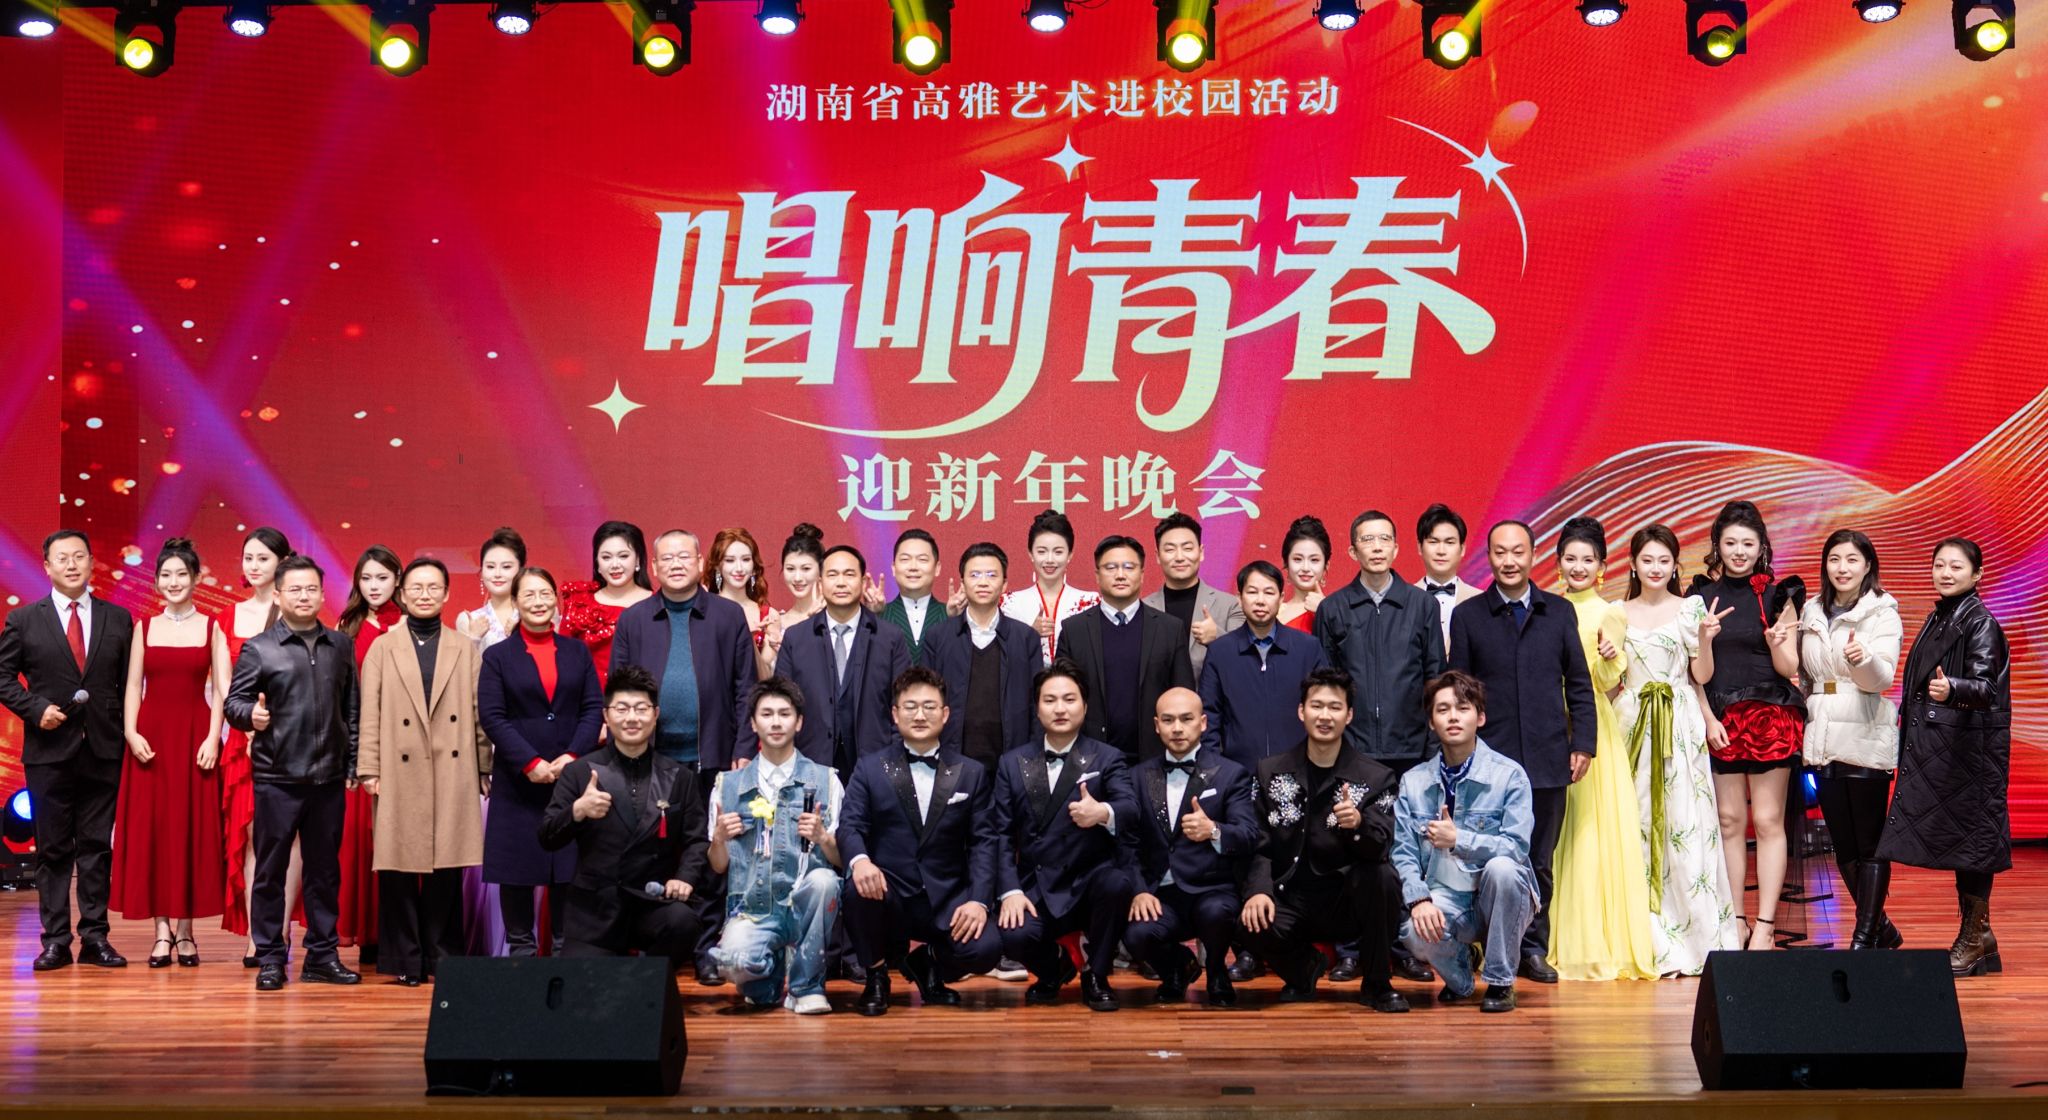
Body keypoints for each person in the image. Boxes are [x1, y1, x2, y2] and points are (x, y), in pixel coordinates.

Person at [1447, 520, 1596, 984]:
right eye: (1500, 552)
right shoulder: (1469, 616)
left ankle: (1532, 949)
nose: (1509, 561)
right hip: (1487, 764)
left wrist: (1583, 743)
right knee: (1483, 861)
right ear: (1488, 556)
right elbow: (1457, 693)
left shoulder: (1559, 612)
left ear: (1533, 555)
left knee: (1538, 862)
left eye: (1518, 552)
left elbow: (1578, 683)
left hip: (1549, 759)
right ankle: (1481, 947)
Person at [1313, 509, 1446, 985]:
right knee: (1349, 846)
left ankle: (1404, 946)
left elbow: (1435, 677)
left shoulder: (1420, 606)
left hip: (1410, 750)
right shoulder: (1334, 609)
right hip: (1352, 752)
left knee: (1404, 849)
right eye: (1366, 540)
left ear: (1396, 548)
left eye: (1384, 539)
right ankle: (1352, 949)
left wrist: (1430, 743)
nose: (1375, 546)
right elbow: (1326, 685)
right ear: (1353, 550)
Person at [1874, 538, 2011, 978]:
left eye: (1956, 566)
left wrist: (1953, 689)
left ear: (1977, 574)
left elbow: (1986, 688)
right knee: (1965, 841)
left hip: (1971, 751)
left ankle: (1973, 938)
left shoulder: (1980, 622)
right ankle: (1980, 937)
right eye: (1939, 565)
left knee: (1975, 844)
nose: (1945, 573)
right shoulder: (1944, 615)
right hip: (1949, 747)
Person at [224, 555, 361, 991]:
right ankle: (269, 957)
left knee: (324, 873)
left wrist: (352, 763)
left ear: (322, 594)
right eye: (295, 589)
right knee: (270, 872)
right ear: (279, 595)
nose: (304, 596)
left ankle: (322, 955)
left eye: (311, 589)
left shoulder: (340, 646)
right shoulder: (259, 648)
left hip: (328, 779)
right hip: (277, 778)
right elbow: (234, 704)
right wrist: (251, 716)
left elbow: (352, 710)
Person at [0, 530, 135, 971]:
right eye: (62, 558)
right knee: (53, 849)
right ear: (47, 567)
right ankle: (55, 940)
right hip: (48, 751)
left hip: (103, 747)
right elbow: (2, 677)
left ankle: (95, 937)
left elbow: (130, 684)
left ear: (92, 562)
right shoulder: (24, 620)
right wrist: (35, 708)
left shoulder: (119, 618)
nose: (72, 564)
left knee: (96, 847)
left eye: (79, 556)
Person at [1238, 667, 1408, 1012]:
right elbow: (1258, 842)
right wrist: (1258, 890)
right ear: (1302, 712)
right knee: (1239, 916)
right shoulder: (1270, 771)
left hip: (1347, 899)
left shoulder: (1376, 777)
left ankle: (1377, 984)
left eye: (1335, 707)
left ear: (1349, 715)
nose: (1325, 716)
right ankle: (1303, 970)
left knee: (1383, 878)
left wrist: (1357, 824)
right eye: (1317, 706)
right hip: (1290, 895)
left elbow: (1381, 847)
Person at [838, 667, 1003, 1015]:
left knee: (987, 947)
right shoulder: (870, 768)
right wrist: (860, 861)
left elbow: (984, 842)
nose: (919, 715)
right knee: (856, 888)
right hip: (890, 894)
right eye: (910, 706)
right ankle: (876, 976)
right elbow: (850, 825)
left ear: (945, 714)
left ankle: (928, 963)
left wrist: (978, 901)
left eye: (929, 707)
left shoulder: (971, 772)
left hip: (947, 898)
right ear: (895, 714)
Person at [1615, 525, 1742, 975]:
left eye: (1663, 561)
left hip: (1679, 725)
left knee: (1685, 825)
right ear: (1633, 564)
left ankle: (1693, 939)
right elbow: (1612, 679)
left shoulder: (1691, 608)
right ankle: (1647, 939)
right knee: (1636, 826)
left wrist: (1705, 638)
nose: (1655, 568)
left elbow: (1700, 676)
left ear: (1674, 566)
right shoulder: (1616, 612)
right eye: (1647, 560)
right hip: (1632, 723)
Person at [355, 558, 487, 985]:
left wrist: (483, 766)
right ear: (403, 594)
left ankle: (442, 956)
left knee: (447, 868)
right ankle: (405, 960)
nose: (424, 595)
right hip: (398, 768)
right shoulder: (383, 647)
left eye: (433, 587)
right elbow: (369, 712)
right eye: (416, 587)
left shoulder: (464, 648)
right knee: (397, 869)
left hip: (452, 768)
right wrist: (368, 767)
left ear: (447, 594)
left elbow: (478, 713)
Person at [1685, 501, 1804, 952]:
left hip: (1769, 715)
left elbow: (1789, 667)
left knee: (1768, 820)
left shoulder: (1779, 595)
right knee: (1729, 822)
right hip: (1720, 719)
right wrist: (1704, 641)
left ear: (1761, 547)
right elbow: (1697, 674)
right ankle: (1735, 921)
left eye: (1748, 544)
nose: (1739, 551)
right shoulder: (1700, 596)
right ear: (1717, 545)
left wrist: (1775, 642)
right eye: (1731, 543)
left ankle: (1766, 926)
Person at [538, 665, 710, 969]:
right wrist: (578, 811)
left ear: (655, 715)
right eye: (622, 709)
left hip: (652, 903)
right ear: (606, 716)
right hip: (594, 910)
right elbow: (547, 836)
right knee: (583, 990)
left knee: (682, 921)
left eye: (641, 709)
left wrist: (684, 878)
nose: (632, 718)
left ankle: (647, 979)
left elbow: (696, 841)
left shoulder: (679, 776)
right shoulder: (579, 772)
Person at [1546, 517, 1658, 981]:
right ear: (1557, 563)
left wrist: (1613, 660)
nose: (1578, 566)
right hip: (1549, 726)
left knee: (1590, 832)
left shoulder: (1609, 612)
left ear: (1602, 567)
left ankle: (1590, 941)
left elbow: (1610, 681)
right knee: (1554, 832)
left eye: (1587, 559)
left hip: (1592, 727)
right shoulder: (1546, 607)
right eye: (1570, 558)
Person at [989, 662, 1138, 1011]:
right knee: (1010, 932)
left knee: (1117, 883)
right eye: (1050, 700)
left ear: (1084, 706)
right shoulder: (1012, 762)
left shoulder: (1107, 757)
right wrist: (1010, 891)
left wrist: (1103, 812)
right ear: (1036, 708)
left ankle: (1096, 974)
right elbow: (1000, 834)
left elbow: (1131, 809)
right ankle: (1055, 968)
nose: (1060, 708)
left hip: (1090, 882)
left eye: (1069, 699)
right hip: (1038, 884)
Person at [1394, 671, 1539, 1013]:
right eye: (1442, 709)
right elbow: (1403, 852)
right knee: (1412, 931)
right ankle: (1461, 978)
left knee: (1502, 869)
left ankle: (1501, 982)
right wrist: (1419, 900)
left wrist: (1460, 839)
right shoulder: (1414, 782)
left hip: (1501, 895)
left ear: (1480, 717)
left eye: (1463, 708)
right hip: (1447, 894)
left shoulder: (1509, 775)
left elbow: (1517, 847)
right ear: (1431, 722)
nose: (1453, 717)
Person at [113, 538, 228, 967]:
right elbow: (132, 686)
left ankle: (186, 931)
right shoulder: (144, 627)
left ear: (196, 578)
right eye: (166, 574)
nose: (173, 581)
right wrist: (130, 732)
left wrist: (213, 737)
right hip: (151, 739)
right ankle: (161, 931)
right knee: (156, 831)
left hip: (195, 736)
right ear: (157, 581)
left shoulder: (212, 626)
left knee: (189, 829)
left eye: (182, 574)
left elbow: (223, 691)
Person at [479, 567, 602, 958]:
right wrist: (529, 761)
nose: (538, 602)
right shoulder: (498, 656)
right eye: (528, 595)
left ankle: (566, 950)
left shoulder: (576, 652)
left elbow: (593, 708)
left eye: (545, 593)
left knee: (568, 867)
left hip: (570, 777)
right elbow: (492, 715)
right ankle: (521, 951)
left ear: (556, 600)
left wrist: (573, 756)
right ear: (515, 602)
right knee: (516, 867)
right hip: (519, 778)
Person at [706, 677, 846, 1014]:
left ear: (799, 722)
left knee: (825, 881)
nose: (776, 722)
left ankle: (806, 986)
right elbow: (718, 864)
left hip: (804, 907)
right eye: (766, 714)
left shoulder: (826, 780)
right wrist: (719, 839)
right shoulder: (727, 784)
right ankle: (767, 976)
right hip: (753, 910)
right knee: (731, 963)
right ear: (754, 723)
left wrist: (823, 838)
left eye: (785, 714)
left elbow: (842, 861)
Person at [1798, 530, 1903, 951]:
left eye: (1852, 560)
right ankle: (1881, 929)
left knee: (1869, 844)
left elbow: (1881, 680)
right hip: (1821, 732)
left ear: (1867, 565)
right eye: (1834, 559)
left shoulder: (1882, 612)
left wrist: (1865, 660)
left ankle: (1863, 937)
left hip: (1864, 730)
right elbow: (1806, 675)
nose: (1842, 568)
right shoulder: (1811, 609)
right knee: (1842, 844)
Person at [1124, 687, 1257, 1007]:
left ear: (1203, 722)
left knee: (1216, 913)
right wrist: (1139, 890)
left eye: (1186, 719)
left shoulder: (1231, 774)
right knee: (1136, 934)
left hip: (1212, 888)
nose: (1177, 728)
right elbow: (1127, 843)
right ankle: (1178, 968)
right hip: (1160, 891)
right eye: (1168, 720)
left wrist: (1213, 830)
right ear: (1156, 725)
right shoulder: (1137, 776)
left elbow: (1249, 834)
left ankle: (1217, 971)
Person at [609, 530, 758, 785]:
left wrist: (744, 747)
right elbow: (617, 692)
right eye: (667, 558)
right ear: (654, 566)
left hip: (715, 757)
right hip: (647, 757)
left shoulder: (729, 616)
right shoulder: (633, 620)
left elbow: (746, 688)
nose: (676, 564)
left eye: (684, 557)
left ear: (700, 562)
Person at [220, 527, 296, 963]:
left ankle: (281, 931)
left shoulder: (296, 611)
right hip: (242, 738)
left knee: (291, 835)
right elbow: (224, 686)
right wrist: (247, 727)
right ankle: (258, 935)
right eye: (248, 557)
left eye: (263, 558)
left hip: (291, 736)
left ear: (282, 562)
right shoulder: (227, 617)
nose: (253, 565)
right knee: (251, 837)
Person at [771, 543, 911, 774]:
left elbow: (904, 702)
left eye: (849, 574)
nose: (841, 582)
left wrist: (894, 756)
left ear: (863, 582)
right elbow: (782, 704)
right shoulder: (796, 638)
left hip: (877, 764)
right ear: (820, 583)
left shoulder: (890, 638)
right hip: (810, 763)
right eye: (832, 575)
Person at [1055, 535, 1195, 762]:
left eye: (1129, 567)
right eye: (1111, 567)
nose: (1120, 575)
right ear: (1097, 575)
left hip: (1154, 757)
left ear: (1142, 574)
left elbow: (1184, 695)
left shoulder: (1170, 629)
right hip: (1089, 758)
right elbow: (1060, 696)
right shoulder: (1074, 630)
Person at [336, 544, 402, 965]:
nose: (374, 586)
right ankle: (368, 935)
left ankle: (398, 933)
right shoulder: (347, 626)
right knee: (361, 840)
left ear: (397, 579)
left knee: (400, 838)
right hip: (359, 743)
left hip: (404, 744)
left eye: (382, 577)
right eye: (366, 578)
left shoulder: (411, 622)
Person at [1199, 560, 1330, 771]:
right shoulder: (1220, 651)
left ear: (1281, 598)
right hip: (1237, 774)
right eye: (1252, 592)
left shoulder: (1308, 648)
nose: (1260, 600)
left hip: (1300, 772)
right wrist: (1214, 771)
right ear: (1239, 598)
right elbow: (1209, 716)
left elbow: (1325, 708)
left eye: (1269, 593)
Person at [924, 542, 1044, 769]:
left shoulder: (1026, 638)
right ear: (963, 583)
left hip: (1014, 761)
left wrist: (1032, 757)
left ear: (1004, 583)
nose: (983, 582)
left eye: (991, 575)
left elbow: (1038, 705)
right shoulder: (938, 637)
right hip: (952, 761)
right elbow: (927, 701)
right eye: (975, 575)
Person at [1141, 512, 1243, 677]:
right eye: (1170, 549)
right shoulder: (1142, 609)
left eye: (1187, 548)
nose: (1179, 557)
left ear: (1201, 552)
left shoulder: (1230, 605)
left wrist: (1218, 637)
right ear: (1158, 556)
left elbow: (1247, 664)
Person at [558, 520, 654, 689]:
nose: (615, 565)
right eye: (606, 557)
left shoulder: (657, 605)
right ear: (597, 563)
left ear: (638, 559)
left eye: (623, 556)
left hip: (643, 698)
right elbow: (564, 660)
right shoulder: (579, 604)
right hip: (590, 698)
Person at [1001, 508, 1099, 662]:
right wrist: (1029, 634)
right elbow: (999, 657)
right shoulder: (1009, 603)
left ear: (1070, 555)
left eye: (1058, 552)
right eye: (1042, 552)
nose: (1049, 560)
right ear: (1030, 554)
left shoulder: (1090, 602)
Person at [759, 522, 827, 676]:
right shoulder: (777, 622)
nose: (797, 578)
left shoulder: (834, 619)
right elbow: (764, 679)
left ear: (821, 570)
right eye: (790, 569)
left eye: (806, 569)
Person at [876, 528, 948, 666]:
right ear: (893, 568)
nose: (913, 567)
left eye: (922, 559)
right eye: (905, 559)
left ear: (937, 568)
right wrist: (871, 614)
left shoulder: (953, 615)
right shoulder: (877, 616)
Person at [1415, 504, 1482, 650]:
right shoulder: (1404, 600)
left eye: (1449, 542)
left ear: (1462, 549)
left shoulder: (1481, 600)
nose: (1441, 551)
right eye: (1433, 542)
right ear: (1420, 547)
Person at [704, 525, 775, 657]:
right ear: (717, 566)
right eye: (730, 560)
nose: (739, 568)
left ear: (754, 566)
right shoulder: (703, 609)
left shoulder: (768, 616)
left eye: (746, 559)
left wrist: (752, 642)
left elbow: (767, 669)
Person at [455, 526, 525, 651]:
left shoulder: (535, 614)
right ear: (482, 572)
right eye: (490, 567)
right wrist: (474, 638)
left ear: (521, 570)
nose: (497, 574)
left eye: (506, 567)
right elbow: (463, 662)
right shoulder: (470, 620)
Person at [1275, 515, 1331, 634]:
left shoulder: (1339, 612)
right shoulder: (1274, 611)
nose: (1305, 568)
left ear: (1326, 566)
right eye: (1297, 559)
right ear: (1286, 564)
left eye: (1314, 560)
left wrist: (1325, 612)